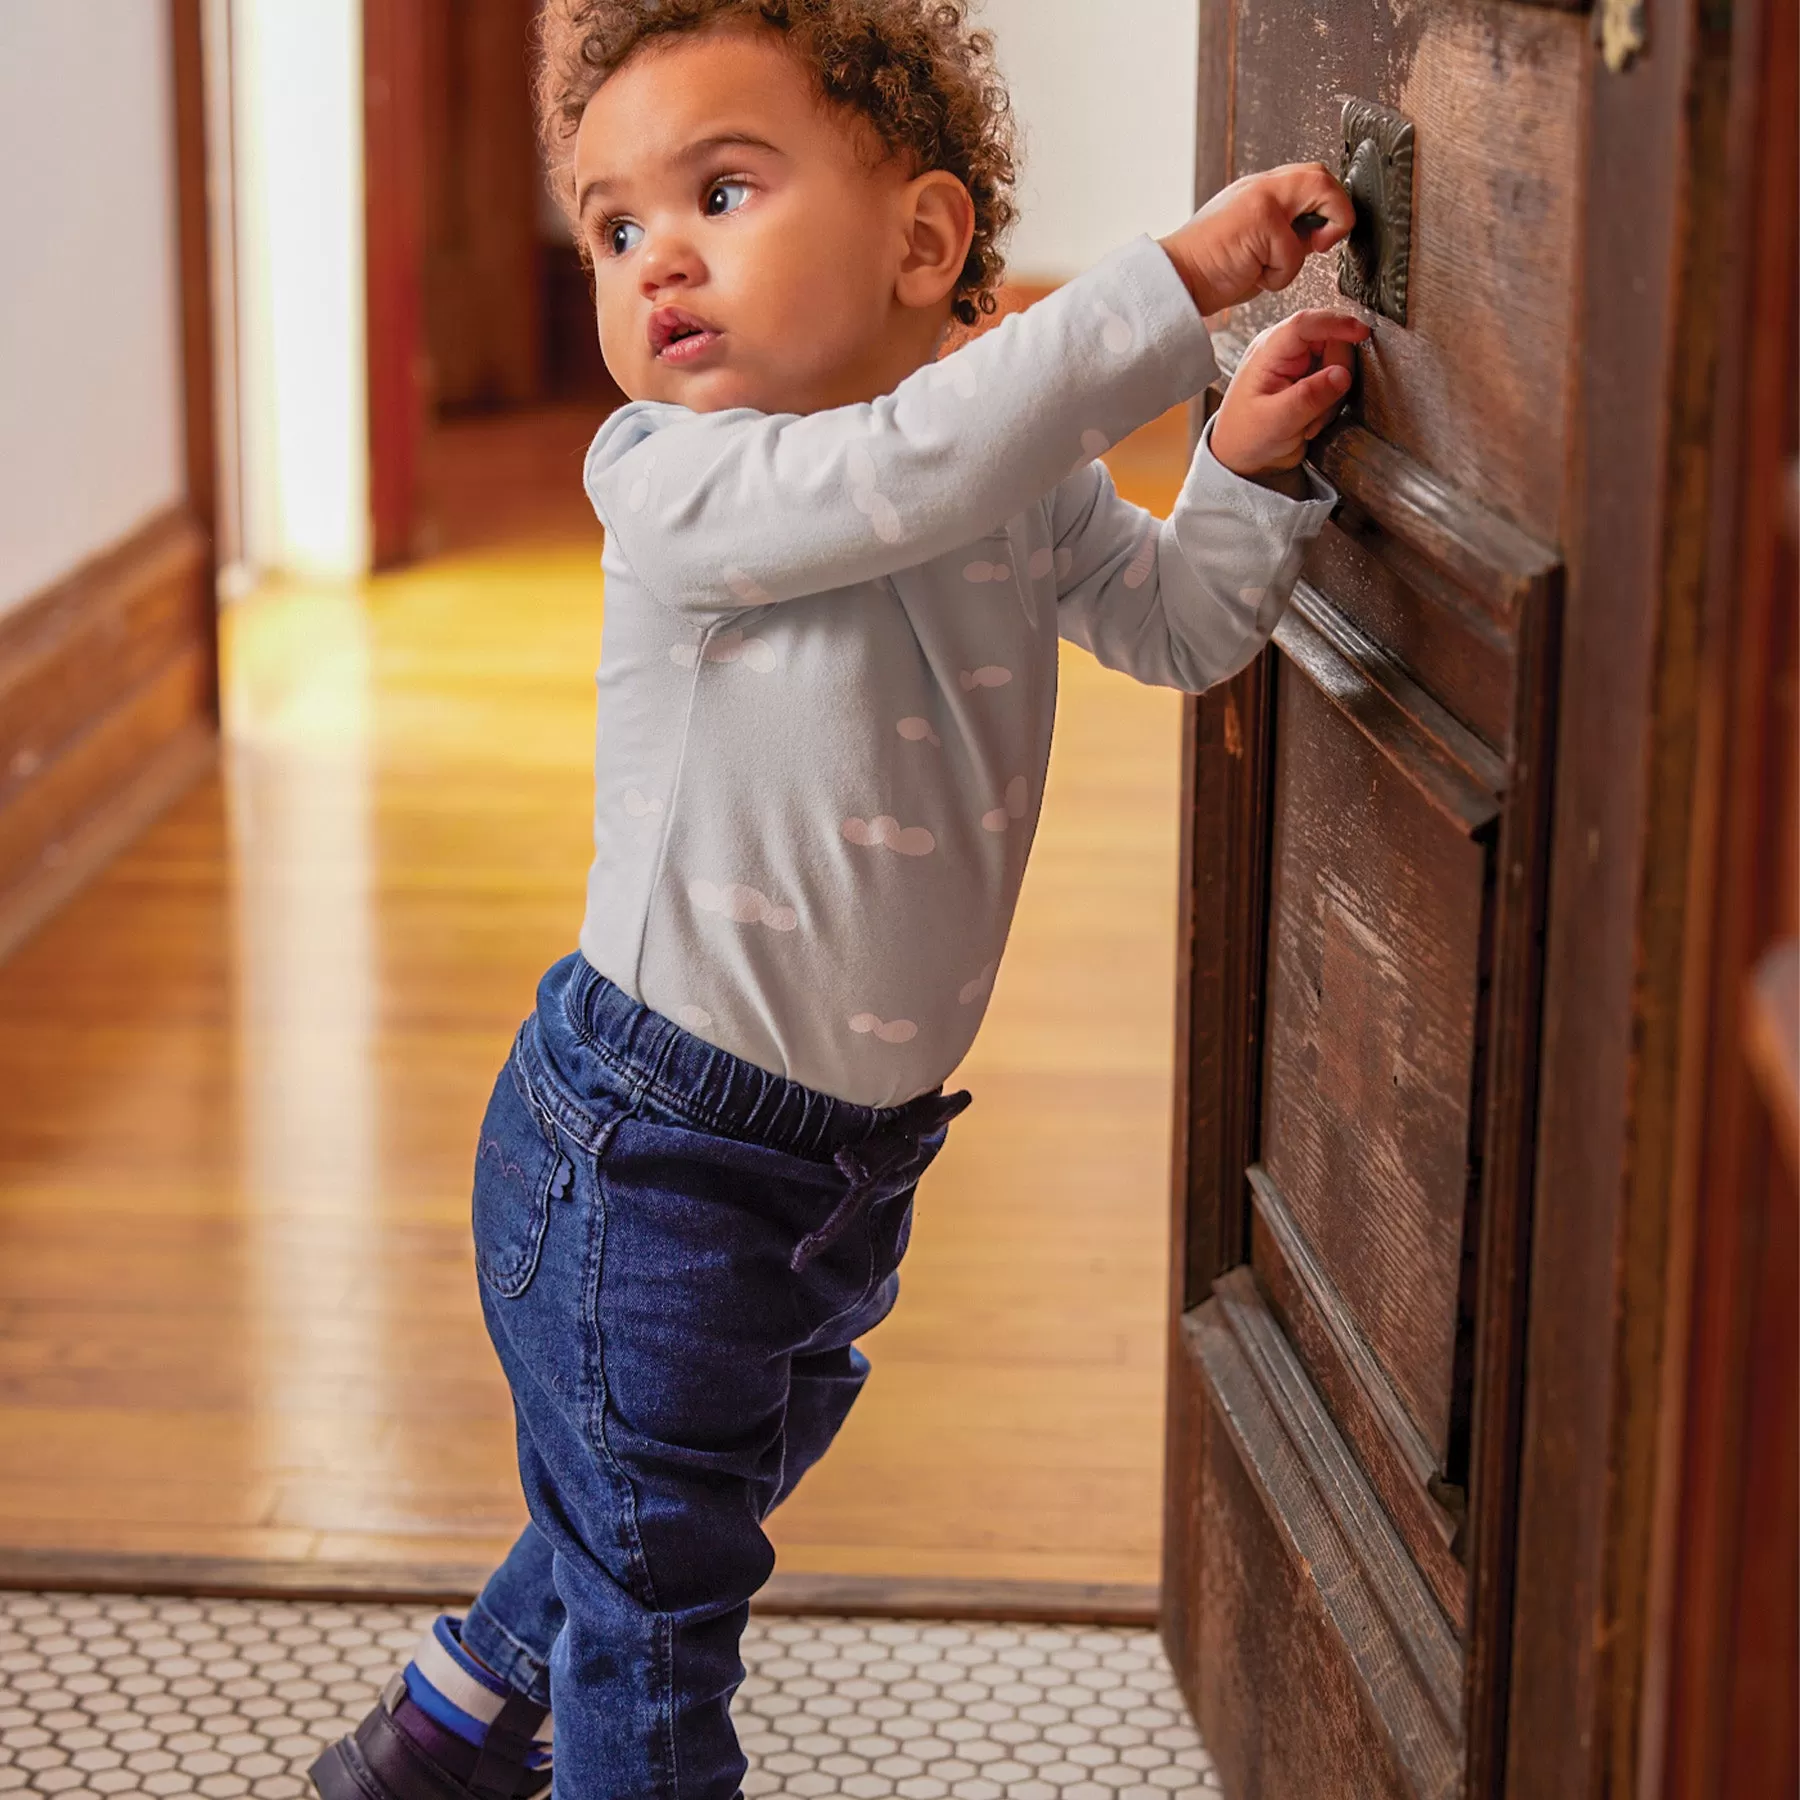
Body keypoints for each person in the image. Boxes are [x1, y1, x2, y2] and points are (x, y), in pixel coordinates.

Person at [311, 2, 1366, 1796]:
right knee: (664, 1608)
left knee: (682, 1498)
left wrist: (1242, 470)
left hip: (844, 1167)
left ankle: (452, 1724)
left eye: (720, 190)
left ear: (927, 243)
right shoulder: (669, 482)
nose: (659, 263)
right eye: (614, 228)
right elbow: (912, 462)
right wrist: (1176, 281)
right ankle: (505, 1730)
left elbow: (1181, 629)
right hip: (641, 1157)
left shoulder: (1002, 473)